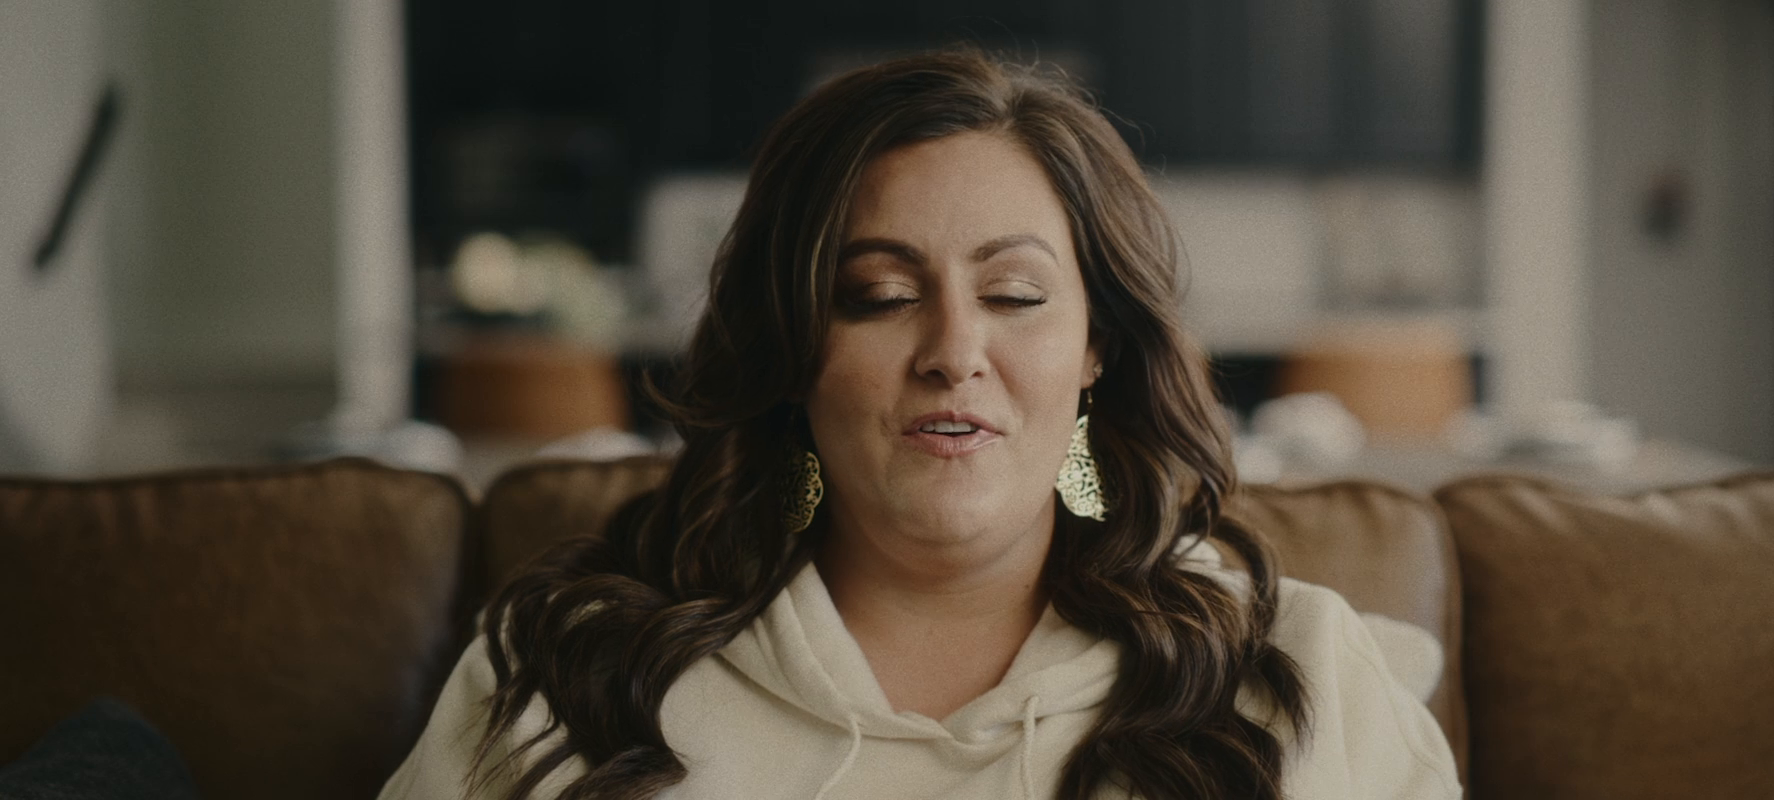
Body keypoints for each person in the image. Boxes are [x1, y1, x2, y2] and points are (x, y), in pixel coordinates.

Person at [379, 49, 1460, 800]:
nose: (953, 349)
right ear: (793, 350)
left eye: (1015, 295)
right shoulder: (571, 671)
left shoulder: (1292, 666)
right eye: (881, 295)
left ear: (1096, 347)